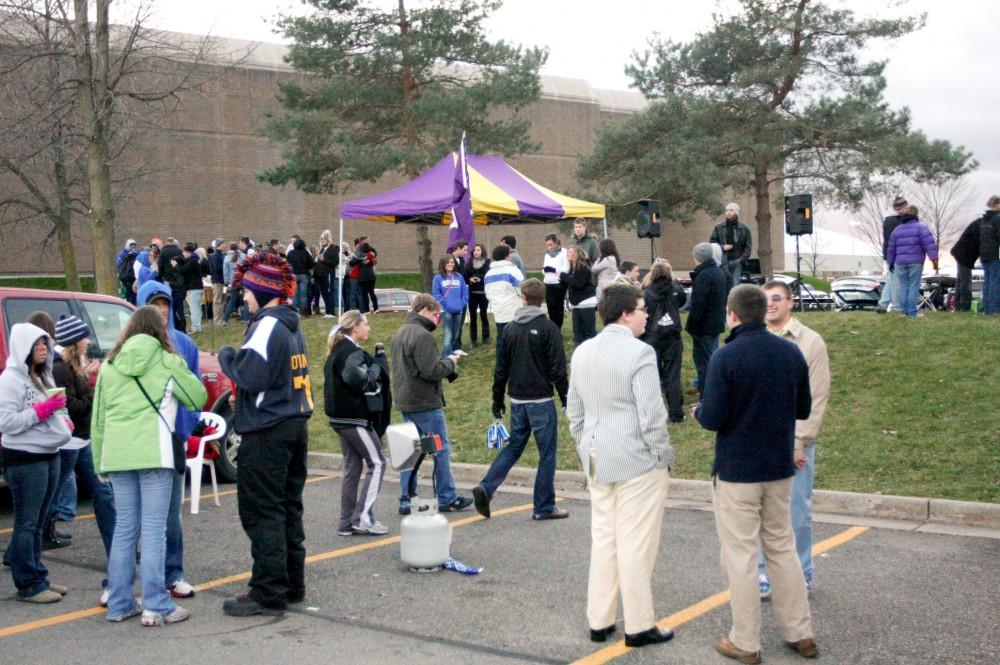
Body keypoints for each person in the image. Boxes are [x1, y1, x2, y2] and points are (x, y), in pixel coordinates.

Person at [693, 285, 816, 663]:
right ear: (763, 312)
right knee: (782, 548)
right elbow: (803, 406)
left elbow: (713, 418)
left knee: (741, 555)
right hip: (778, 468)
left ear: (732, 313)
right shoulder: (790, 351)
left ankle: (745, 640)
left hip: (737, 471)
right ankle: (800, 631)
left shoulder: (725, 357)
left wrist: (699, 411)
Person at [567, 284, 675, 649]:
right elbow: (651, 414)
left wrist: (585, 450)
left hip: (597, 454)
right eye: (643, 309)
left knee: (605, 539)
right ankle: (639, 625)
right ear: (626, 313)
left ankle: (600, 619)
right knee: (636, 544)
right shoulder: (640, 352)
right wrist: (662, 456)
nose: (647, 314)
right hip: (636, 459)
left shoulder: (583, 351)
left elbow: (575, 414)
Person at [92, 306, 206, 625]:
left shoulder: (109, 365)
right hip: (154, 452)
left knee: (125, 529)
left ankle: (119, 602)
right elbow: (197, 397)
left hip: (116, 453)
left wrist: (100, 460)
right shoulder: (167, 361)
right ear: (161, 330)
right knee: (154, 530)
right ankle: (157, 603)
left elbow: (98, 420)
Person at [219, 252, 313, 616]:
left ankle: (268, 590)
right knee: (288, 507)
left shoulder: (268, 324)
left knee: (263, 511)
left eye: (246, 290)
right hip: (293, 424)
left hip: (268, 430)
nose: (243, 297)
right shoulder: (291, 325)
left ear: (261, 290)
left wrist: (228, 356)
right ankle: (292, 583)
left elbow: (251, 375)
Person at [755, 281, 830, 599]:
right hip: (759, 441)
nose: (770, 304)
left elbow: (817, 395)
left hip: (793, 440)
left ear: (790, 303)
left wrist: (799, 441)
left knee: (796, 512)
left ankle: (803, 573)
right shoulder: (754, 338)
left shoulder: (810, 342)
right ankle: (763, 573)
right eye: (765, 299)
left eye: (776, 299)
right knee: (761, 511)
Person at [473, 279, 569, 521]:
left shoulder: (510, 329)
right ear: (542, 299)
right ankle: (543, 506)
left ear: (523, 298)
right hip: (541, 400)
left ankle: (487, 486)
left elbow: (501, 369)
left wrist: (497, 399)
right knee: (547, 453)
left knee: (515, 446)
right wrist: (566, 398)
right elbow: (558, 370)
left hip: (516, 399)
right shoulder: (549, 329)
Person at [136, 280, 203, 601]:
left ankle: (173, 572)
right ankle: (129, 579)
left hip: (171, 440)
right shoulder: (130, 348)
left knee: (171, 514)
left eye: (166, 304)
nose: (162, 310)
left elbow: (195, 394)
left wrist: (182, 431)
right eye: (155, 304)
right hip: (138, 443)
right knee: (134, 516)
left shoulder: (184, 345)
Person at [0, 323, 72, 603]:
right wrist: (40, 412)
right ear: (24, 348)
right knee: (27, 523)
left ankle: (39, 575)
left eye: (45, 344)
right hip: (24, 458)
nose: (43, 349)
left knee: (40, 522)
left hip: (49, 453)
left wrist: (61, 416)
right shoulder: (10, 380)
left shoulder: (43, 375)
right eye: (38, 344)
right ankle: (27, 583)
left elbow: (56, 406)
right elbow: (6, 422)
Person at [48, 316, 117, 604]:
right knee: (47, 499)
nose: (89, 341)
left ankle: (118, 550)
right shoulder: (60, 370)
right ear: (75, 342)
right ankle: (19, 552)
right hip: (67, 444)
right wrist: (91, 389)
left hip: (84, 442)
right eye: (85, 337)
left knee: (104, 494)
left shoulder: (76, 368)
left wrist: (87, 382)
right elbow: (72, 407)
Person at [391, 294, 473, 515]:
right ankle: (447, 496)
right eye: (436, 314)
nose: (438, 319)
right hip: (425, 402)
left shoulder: (400, 332)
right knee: (440, 450)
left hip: (405, 399)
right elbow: (430, 370)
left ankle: (407, 497)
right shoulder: (423, 336)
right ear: (425, 310)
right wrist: (450, 362)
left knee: (410, 452)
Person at [324, 311, 392, 536]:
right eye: (366, 324)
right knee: (378, 463)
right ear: (355, 327)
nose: (369, 328)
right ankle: (363, 517)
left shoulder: (337, 350)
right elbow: (360, 381)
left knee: (353, 468)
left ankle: (346, 522)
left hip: (340, 418)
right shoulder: (350, 352)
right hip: (353, 417)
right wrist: (378, 366)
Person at [641, 260, 687, 423]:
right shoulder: (675, 289)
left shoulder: (646, 292)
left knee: (651, 377)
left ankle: (653, 414)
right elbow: (682, 300)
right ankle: (676, 413)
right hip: (672, 336)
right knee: (673, 375)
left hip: (652, 336)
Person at [685, 242, 726, 398]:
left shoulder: (704, 275)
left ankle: (708, 395)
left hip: (704, 327)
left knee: (704, 362)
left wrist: (692, 327)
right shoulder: (717, 272)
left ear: (697, 257)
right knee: (710, 358)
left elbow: (698, 305)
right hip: (714, 324)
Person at [886, 204, 938, 318]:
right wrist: (934, 260)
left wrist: (890, 262)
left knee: (904, 286)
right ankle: (912, 312)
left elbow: (891, 248)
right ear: (916, 215)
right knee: (913, 286)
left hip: (900, 262)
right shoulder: (921, 228)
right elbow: (929, 245)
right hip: (916, 261)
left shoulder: (897, 230)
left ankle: (904, 312)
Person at [484, 244, 524, 360]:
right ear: (506, 256)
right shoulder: (513, 271)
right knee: (517, 342)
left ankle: (501, 366)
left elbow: (488, 295)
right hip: (514, 312)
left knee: (501, 341)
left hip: (499, 313)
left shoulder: (488, 274)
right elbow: (522, 291)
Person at [709, 202, 752, 293]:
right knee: (723, 285)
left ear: (736, 212)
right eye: (727, 210)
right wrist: (722, 247)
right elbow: (712, 243)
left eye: (731, 210)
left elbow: (748, 247)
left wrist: (741, 259)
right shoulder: (719, 227)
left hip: (737, 260)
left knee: (735, 285)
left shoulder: (744, 228)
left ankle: (733, 305)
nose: (728, 212)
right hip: (722, 261)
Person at [876, 196, 908, 313]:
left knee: (891, 279)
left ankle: (883, 303)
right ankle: (895, 306)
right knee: (896, 281)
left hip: (890, 254)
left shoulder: (890, 220)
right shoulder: (895, 221)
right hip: (895, 255)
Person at [432, 254, 469, 357]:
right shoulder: (438, 278)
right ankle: (447, 356)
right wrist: (445, 304)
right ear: (443, 264)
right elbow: (436, 294)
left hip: (458, 310)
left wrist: (462, 304)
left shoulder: (459, 276)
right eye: (448, 262)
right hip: (446, 310)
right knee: (448, 334)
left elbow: (465, 292)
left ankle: (447, 353)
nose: (450, 264)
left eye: (452, 262)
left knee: (456, 334)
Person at [560, 246, 597, 346]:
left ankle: (592, 352)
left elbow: (578, 284)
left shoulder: (582, 267)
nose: (568, 254)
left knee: (588, 331)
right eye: (568, 252)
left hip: (586, 303)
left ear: (577, 254)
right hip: (577, 304)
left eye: (571, 252)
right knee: (577, 331)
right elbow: (570, 284)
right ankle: (579, 353)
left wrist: (563, 276)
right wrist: (561, 279)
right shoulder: (572, 268)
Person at [949, 216, 980, 312]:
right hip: (964, 255)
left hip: (960, 252)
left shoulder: (979, 222)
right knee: (965, 281)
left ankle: (959, 305)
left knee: (960, 281)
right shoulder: (984, 225)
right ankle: (965, 306)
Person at [464, 243, 491, 347]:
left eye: (478, 250)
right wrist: (470, 279)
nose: (476, 252)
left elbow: (487, 274)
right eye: (474, 250)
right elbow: (466, 276)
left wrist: (480, 278)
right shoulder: (469, 262)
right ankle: (473, 340)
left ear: (482, 251)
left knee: (484, 315)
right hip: (472, 294)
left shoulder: (488, 262)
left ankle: (485, 338)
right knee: (473, 317)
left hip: (483, 293)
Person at [158, 237, 187, 332]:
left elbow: (160, 265)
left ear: (167, 242)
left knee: (169, 303)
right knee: (179, 304)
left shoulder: (163, 252)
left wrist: (161, 275)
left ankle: (171, 325)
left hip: (167, 279)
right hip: (178, 278)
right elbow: (183, 264)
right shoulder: (179, 251)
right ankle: (182, 326)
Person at [542, 234, 569, 329]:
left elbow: (566, 269)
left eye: (551, 245)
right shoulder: (547, 254)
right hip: (548, 283)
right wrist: (545, 270)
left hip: (558, 283)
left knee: (558, 308)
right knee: (550, 307)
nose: (549, 247)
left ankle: (558, 328)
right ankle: (553, 328)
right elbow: (543, 269)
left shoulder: (563, 252)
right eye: (547, 245)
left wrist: (554, 270)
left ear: (556, 243)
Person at [979, 195, 1000, 314]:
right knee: (995, 282)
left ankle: (987, 308)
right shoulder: (997, 218)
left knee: (987, 282)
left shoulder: (984, 219)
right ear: (997, 204)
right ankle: (994, 309)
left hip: (984, 253)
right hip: (994, 254)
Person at [314, 230, 341, 317]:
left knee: (329, 292)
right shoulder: (322, 249)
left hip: (328, 274)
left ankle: (331, 312)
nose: (322, 241)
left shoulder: (333, 248)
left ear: (328, 240)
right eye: (321, 240)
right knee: (324, 293)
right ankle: (328, 311)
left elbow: (335, 262)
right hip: (320, 275)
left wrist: (324, 260)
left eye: (324, 240)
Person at [286, 237, 316, 316]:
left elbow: (287, 264)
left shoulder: (290, 253)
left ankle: (295, 311)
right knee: (304, 294)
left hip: (293, 275)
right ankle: (304, 311)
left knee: (295, 294)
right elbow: (311, 264)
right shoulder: (306, 253)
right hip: (304, 275)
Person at [350, 236, 379, 313]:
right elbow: (374, 256)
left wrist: (364, 261)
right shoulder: (367, 251)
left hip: (363, 275)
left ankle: (366, 310)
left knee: (364, 293)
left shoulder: (360, 252)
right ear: (362, 241)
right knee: (370, 292)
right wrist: (370, 258)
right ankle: (375, 308)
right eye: (367, 240)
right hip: (369, 275)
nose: (368, 242)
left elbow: (354, 261)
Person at [450, 240, 470, 350]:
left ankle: (458, 346)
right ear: (458, 248)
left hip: (462, 295)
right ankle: (451, 348)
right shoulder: (448, 260)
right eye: (465, 250)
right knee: (452, 324)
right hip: (453, 296)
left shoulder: (462, 261)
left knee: (460, 322)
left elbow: (464, 276)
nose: (466, 252)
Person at [210, 238, 227, 324]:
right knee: (217, 300)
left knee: (222, 299)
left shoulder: (221, 255)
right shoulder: (216, 256)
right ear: (218, 245)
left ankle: (221, 317)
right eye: (223, 244)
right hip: (217, 281)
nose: (225, 245)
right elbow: (216, 268)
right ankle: (217, 319)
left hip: (222, 281)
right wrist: (225, 267)